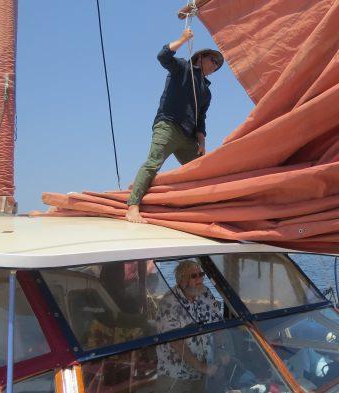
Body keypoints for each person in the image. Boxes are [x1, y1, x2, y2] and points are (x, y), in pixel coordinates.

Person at [125, 28, 224, 223]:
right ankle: (133, 207)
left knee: (201, 173)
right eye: (214, 60)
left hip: (188, 138)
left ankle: (200, 210)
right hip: (168, 126)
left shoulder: (207, 92)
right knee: (153, 163)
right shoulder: (182, 68)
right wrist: (183, 39)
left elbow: (201, 118)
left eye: (218, 65)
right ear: (201, 57)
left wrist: (202, 142)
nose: (216, 65)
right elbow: (163, 56)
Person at [155, 259, 222, 391]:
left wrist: (222, 351)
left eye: (201, 274)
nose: (200, 279)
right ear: (182, 281)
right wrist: (201, 367)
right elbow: (176, 343)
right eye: (194, 276)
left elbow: (218, 325)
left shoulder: (205, 293)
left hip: (204, 371)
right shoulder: (168, 303)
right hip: (176, 375)